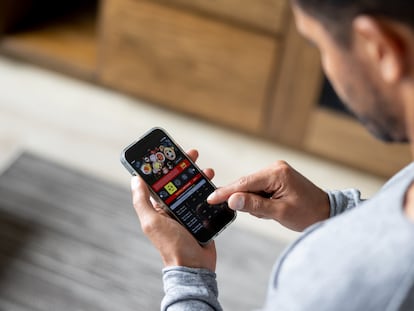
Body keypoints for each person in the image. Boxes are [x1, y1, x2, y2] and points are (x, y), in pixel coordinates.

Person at [130, 0, 414, 309]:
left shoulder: (333, 291)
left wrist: (187, 275)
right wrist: (330, 210)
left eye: (317, 43)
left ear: (379, 48)